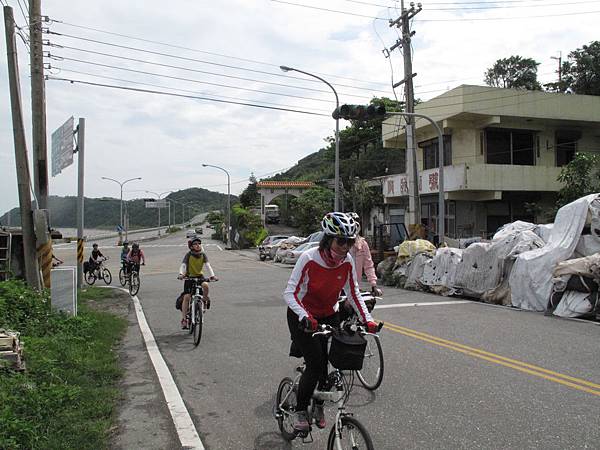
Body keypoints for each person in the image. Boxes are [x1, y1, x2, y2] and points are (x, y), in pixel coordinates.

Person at [283, 212, 379, 432]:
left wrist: (369, 320)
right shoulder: (308, 258)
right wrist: (305, 316)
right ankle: (299, 409)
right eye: (340, 241)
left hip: (329, 314)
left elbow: (353, 293)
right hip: (302, 316)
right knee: (316, 364)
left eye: (349, 242)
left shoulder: (346, 261)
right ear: (328, 239)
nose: (345, 247)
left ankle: (318, 405)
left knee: (331, 362)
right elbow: (290, 293)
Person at [177, 237, 218, 329]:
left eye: (199, 244)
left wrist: (212, 275)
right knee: (187, 297)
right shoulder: (188, 255)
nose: (198, 245)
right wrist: (181, 274)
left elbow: (208, 265)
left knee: (206, 285)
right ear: (191, 247)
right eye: (195, 244)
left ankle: (205, 299)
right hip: (189, 277)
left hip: (200, 277)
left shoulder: (203, 255)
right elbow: (183, 265)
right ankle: (184, 319)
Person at [347, 212, 383, 297]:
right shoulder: (340, 244)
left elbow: (368, 266)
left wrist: (373, 285)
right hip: (339, 287)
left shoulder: (363, 244)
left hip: (355, 287)